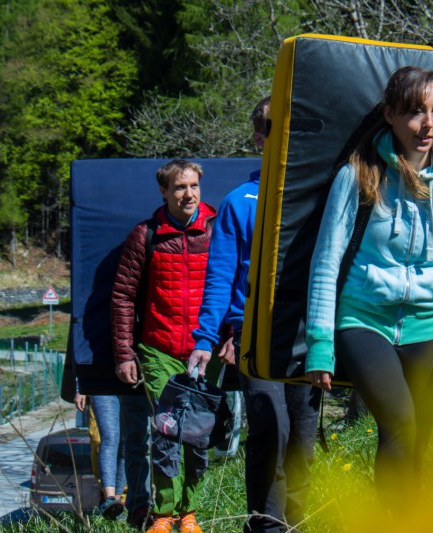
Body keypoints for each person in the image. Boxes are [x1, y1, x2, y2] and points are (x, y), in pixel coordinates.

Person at [304, 66, 433, 513]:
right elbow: (325, 263)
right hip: (362, 321)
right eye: (416, 112)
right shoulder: (359, 176)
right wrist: (320, 344)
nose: (428, 125)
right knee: (400, 423)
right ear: (390, 115)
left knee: (416, 439)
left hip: (429, 327)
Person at [188, 97, 321, 533]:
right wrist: (207, 338)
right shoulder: (238, 202)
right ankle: (266, 525)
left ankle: (297, 522)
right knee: (271, 426)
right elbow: (220, 275)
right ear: (259, 136)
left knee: (303, 434)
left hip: (306, 330)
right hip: (254, 331)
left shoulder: (315, 196)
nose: (281, 133)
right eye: (272, 125)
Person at [112, 159, 216, 533]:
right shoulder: (147, 234)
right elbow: (123, 295)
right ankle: (163, 514)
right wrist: (125, 352)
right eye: (179, 188)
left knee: (197, 436)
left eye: (193, 186)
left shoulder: (216, 228)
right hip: (158, 349)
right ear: (164, 192)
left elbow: (236, 283)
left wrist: (231, 336)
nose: (188, 194)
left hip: (205, 349)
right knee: (167, 432)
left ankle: (189, 511)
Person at [73, 392, 126, 518]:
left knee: (125, 444)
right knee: (107, 438)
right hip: (100, 384)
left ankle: (117, 504)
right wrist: (80, 388)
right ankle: (109, 498)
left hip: (131, 388)